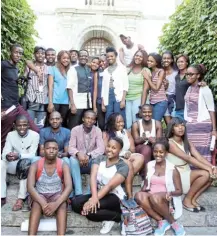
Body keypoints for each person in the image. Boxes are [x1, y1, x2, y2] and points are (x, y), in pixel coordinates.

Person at [71, 137, 129, 235]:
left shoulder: (123, 166)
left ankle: (120, 217)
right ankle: (112, 217)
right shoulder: (100, 159)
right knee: (75, 203)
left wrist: (92, 201)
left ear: (120, 150)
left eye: (114, 148)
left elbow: (109, 186)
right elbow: (93, 177)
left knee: (90, 211)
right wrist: (93, 197)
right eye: (108, 146)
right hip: (99, 194)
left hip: (115, 197)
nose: (110, 149)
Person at [135, 138, 185, 236]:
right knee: (138, 195)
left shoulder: (172, 169)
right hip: (151, 196)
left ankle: (174, 223)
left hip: (165, 198)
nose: (158, 154)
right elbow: (146, 184)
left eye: (161, 152)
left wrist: (170, 193)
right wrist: (142, 194)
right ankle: (161, 221)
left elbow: (179, 191)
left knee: (155, 197)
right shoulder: (149, 165)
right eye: (155, 152)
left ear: (166, 153)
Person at [166, 118, 216, 212]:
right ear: (172, 129)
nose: (180, 128)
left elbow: (199, 157)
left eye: (182, 125)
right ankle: (187, 200)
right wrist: (208, 169)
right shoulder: (170, 143)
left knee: (211, 176)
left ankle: (193, 200)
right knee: (205, 174)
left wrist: (213, 167)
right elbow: (188, 158)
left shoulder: (187, 142)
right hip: (176, 176)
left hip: (186, 172)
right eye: (176, 126)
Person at [27, 139, 72, 236]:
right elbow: (30, 187)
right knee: (36, 205)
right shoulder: (35, 165)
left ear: (58, 151)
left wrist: (56, 204)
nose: (51, 151)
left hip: (56, 195)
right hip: (40, 195)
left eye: (54, 148)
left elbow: (69, 187)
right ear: (43, 150)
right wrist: (43, 204)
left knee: (62, 205)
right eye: (48, 148)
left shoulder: (64, 165)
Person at [1, 44, 39, 151]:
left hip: (16, 105)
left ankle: (24, 154)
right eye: (16, 52)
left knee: (34, 129)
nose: (18, 55)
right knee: (3, 137)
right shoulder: (3, 65)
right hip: (6, 107)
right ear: (10, 53)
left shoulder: (16, 68)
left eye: (20, 53)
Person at [1, 115, 40, 210]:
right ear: (14, 126)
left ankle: (21, 198)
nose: (22, 128)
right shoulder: (11, 135)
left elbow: (32, 155)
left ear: (28, 126)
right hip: (13, 163)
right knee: (1, 163)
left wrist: (19, 155)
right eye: (19, 125)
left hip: (27, 165)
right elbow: (4, 152)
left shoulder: (35, 135)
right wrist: (7, 156)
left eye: (24, 125)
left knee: (24, 163)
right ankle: (2, 196)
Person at [184, 64, 216, 162]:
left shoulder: (205, 89)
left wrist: (214, 129)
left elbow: (211, 109)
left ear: (198, 75)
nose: (188, 76)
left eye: (191, 74)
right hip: (191, 125)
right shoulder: (189, 88)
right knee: (193, 151)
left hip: (203, 124)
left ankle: (208, 173)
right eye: (187, 74)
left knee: (203, 151)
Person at [68, 110, 105, 197]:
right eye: (87, 118)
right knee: (72, 159)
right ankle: (78, 193)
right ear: (83, 119)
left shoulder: (97, 130)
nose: (90, 120)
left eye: (92, 119)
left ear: (95, 121)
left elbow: (101, 148)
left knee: (100, 159)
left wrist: (89, 155)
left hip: (91, 162)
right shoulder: (75, 130)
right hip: (78, 163)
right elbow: (71, 147)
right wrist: (78, 154)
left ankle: (89, 192)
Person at [103, 112, 144, 177]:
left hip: (126, 157)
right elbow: (106, 151)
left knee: (140, 157)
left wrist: (128, 153)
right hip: (113, 158)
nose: (121, 124)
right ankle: (122, 179)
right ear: (112, 123)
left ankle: (124, 179)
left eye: (122, 121)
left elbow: (132, 149)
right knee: (126, 163)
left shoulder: (126, 132)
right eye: (118, 122)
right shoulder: (106, 134)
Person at [101, 47, 128, 124]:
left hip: (118, 96)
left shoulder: (122, 68)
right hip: (108, 96)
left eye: (111, 56)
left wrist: (123, 100)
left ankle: (120, 135)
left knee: (119, 116)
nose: (109, 58)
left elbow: (125, 85)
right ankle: (109, 135)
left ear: (115, 56)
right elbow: (103, 88)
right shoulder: (105, 71)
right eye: (108, 57)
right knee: (109, 116)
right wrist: (103, 103)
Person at [67, 49, 92, 129]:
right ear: (78, 57)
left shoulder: (89, 69)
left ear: (88, 58)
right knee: (74, 127)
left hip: (88, 104)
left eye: (85, 56)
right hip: (77, 104)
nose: (83, 57)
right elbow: (69, 87)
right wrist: (72, 104)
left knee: (86, 127)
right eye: (81, 56)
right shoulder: (73, 69)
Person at [25, 46, 49, 129]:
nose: (40, 55)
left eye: (42, 53)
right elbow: (24, 80)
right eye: (38, 53)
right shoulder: (29, 67)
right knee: (29, 125)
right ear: (34, 54)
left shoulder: (48, 68)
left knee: (40, 127)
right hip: (31, 101)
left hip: (43, 102)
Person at [125, 49, 150, 129]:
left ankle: (139, 140)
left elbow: (145, 89)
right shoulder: (129, 69)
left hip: (138, 98)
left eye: (140, 56)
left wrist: (141, 107)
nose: (138, 58)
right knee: (128, 122)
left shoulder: (145, 70)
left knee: (137, 122)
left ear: (144, 59)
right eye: (137, 55)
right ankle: (129, 140)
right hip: (128, 98)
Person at [47, 50, 71, 127]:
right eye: (64, 58)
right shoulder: (53, 69)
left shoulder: (70, 70)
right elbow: (50, 86)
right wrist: (50, 103)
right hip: (55, 101)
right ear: (59, 58)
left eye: (68, 58)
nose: (66, 60)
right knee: (53, 122)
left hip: (66, 102)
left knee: (63, 123)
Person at [142, 53, 168, 121]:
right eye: (148, 60)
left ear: (156, 63)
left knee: (156, 122)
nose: (149, 62)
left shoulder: (161, 71)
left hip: (160, 102)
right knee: (152, 123)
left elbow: (156, 88)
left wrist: (147, 78)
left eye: (151, 61)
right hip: (152, 102)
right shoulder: (150, 71)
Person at [162, 51, 178, 124]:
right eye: (164, 58)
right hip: (163, 98)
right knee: (168, 124)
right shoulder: (160, 71)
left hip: (174, 99)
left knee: (175, 122)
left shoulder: (176, 72)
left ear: (172, 60)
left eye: (168, 58)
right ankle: (169, 135)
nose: (166, 60)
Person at [174, 54, 190, 120]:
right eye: (178, 62)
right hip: (178, 108)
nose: (180, 64)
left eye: (182, 62)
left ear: (187, 63)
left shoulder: (190, 75)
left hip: (189, 109)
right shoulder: (176, 76)